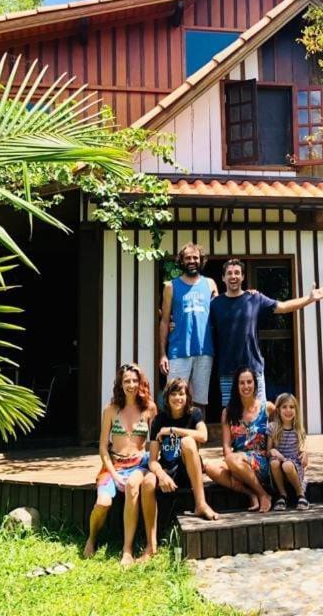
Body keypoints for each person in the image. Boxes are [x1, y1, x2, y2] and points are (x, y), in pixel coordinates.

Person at [210, 258, 323, 404]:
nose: (233, 276)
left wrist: (309, 299)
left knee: (260, 415)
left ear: (243, 276)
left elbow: (284, 306)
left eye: (237, 273)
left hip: (253, 368)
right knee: (231, 416)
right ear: (223, 277)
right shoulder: (215, 304)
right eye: (229, 273)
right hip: (228, 370)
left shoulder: (255, 298)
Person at [83, 364, 159, 566]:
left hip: (139, 464)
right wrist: (113, 474)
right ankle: (92, 538)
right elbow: (102, 448)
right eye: (127, 381)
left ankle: (127, 549)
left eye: (135, 380)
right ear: (120, 383)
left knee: (133, 486)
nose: (131, 385)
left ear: (141, 382)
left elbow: (155, 442)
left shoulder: (149, 408)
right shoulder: (110, 410)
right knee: (103, 503)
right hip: (114, 465)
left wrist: (153, 464)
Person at [204, 366, 277, 513]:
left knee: (232, 460)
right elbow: (226, 447)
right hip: (237, 461)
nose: (246, 386)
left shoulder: (267, 408)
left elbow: (282, 432)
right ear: (236, 386)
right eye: (242, 383)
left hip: (260, 460)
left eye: (249, 382)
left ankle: (264, 495)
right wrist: (233, 463)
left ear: (255, 384)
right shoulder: (228, 412)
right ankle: (252, 493)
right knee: (210, 467)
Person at [148, 377, 219, 521]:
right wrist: (161, 475)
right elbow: (152, 461)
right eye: (173, 394)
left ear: (187, 397)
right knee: (147, 482)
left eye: (181, 394)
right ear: (167, 397)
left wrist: (172, 430)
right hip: (169, 473)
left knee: (187, 442)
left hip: (189, 470)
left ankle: (201, 504)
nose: (177, 398)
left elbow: (203, 436)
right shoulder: (159, 420)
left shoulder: (194, 414)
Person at [159, 243, 217, 415]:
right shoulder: (171, 286)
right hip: (178, 351)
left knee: (200, 400)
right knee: (174, 397)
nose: (192, 261)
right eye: (188, 258)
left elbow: (222, 311)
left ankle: (196, 440)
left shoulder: (210, 284)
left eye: (195, 258)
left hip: (204, 350)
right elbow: (163, 321)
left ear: (201, 261)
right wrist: (162, 354)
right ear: (181, 261)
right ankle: (173, 440)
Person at [269, 392, 309, 510]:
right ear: (278, 410)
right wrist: (272, 451)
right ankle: (282, 495)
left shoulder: (298, 429)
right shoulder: (272, 427)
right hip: (279, 463)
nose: (288, 410)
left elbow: (303, 449)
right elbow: (268, 450)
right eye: (284, 407)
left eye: (291, 407)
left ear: (296, 410)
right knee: (274, 462)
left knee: (287, 465)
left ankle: (300, 494)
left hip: (293, 465)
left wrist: (305, 454)